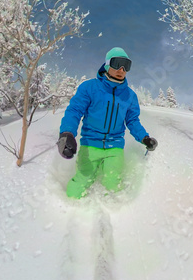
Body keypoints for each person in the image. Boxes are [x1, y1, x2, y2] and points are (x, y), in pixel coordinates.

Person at [57, 47, 158, 199]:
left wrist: (144, 137)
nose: (122, 69)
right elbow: (74, 111)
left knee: (113, 184)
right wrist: (67, 133)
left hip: (115, 147)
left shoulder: (129, 96)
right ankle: (68, 210)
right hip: (90, 144)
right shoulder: (89, 88)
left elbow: (132, 121)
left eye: (126, 65)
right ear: (107, 64)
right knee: (81, 181)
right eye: (117, 63)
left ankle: (116, 214)